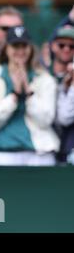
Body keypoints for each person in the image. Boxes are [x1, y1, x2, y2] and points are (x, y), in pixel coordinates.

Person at [0, 26, 59, 166]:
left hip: (39, 153)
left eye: (24, 46)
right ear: (7, 48)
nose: (20, 51)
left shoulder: (44, 79)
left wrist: (28, 93)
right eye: (15, 46)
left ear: (30, 48)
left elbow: (46, 120)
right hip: (2, 152)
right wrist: (14, 95)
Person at [50, 27, 74, 163]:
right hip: (47, 146)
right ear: (53, 46)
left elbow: (65, 118)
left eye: (72, 46)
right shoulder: (42, 75)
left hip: (69, 148)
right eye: (62, 45)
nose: (66, 49)